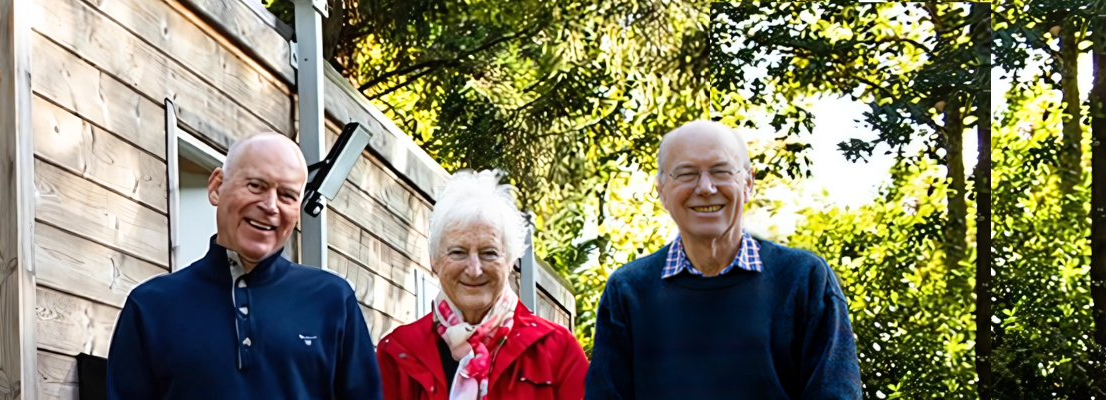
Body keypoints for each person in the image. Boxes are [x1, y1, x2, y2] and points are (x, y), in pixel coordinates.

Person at [584, 120, 861, 399]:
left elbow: (836, 393)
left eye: (721, 171)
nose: (705, 187)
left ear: (748, 182)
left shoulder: (804, 278)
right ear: (661, 191)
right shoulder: (628, 289)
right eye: (686, 173)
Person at [106, 132, 383, 400]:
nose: (270, 205)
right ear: (216, 187)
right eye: (256, 186)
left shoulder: (332, 299)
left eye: (287, 195)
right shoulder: (151, 306)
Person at [375, 170, 588, 400]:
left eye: (489, 253)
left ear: (509, 260)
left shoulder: (557, 350)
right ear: (434, 261)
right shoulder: (397, 352)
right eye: (458, 252)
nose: (474, 269)